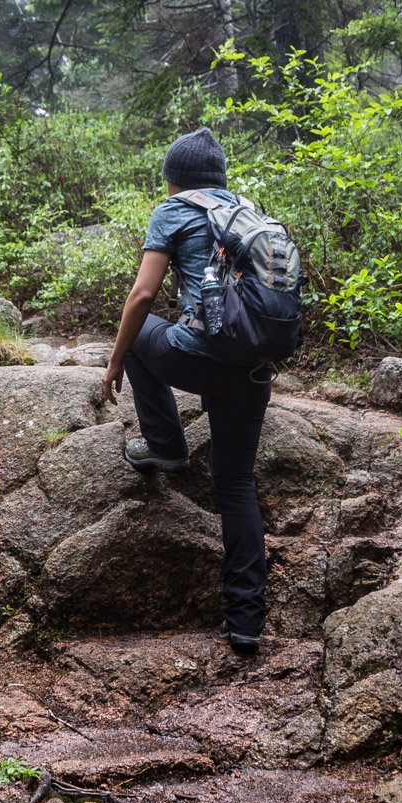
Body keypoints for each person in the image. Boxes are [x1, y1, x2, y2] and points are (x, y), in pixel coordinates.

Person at [101, 126, 270, 656]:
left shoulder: (171, 211)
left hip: (200, 357)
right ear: (220, 178)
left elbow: (142, 296)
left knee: (138, 335)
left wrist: (114, 358)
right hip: (253, 367)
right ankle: (244, 623)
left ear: (173, 180)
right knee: (237, 485)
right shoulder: (250, 213)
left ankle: (168, 447)